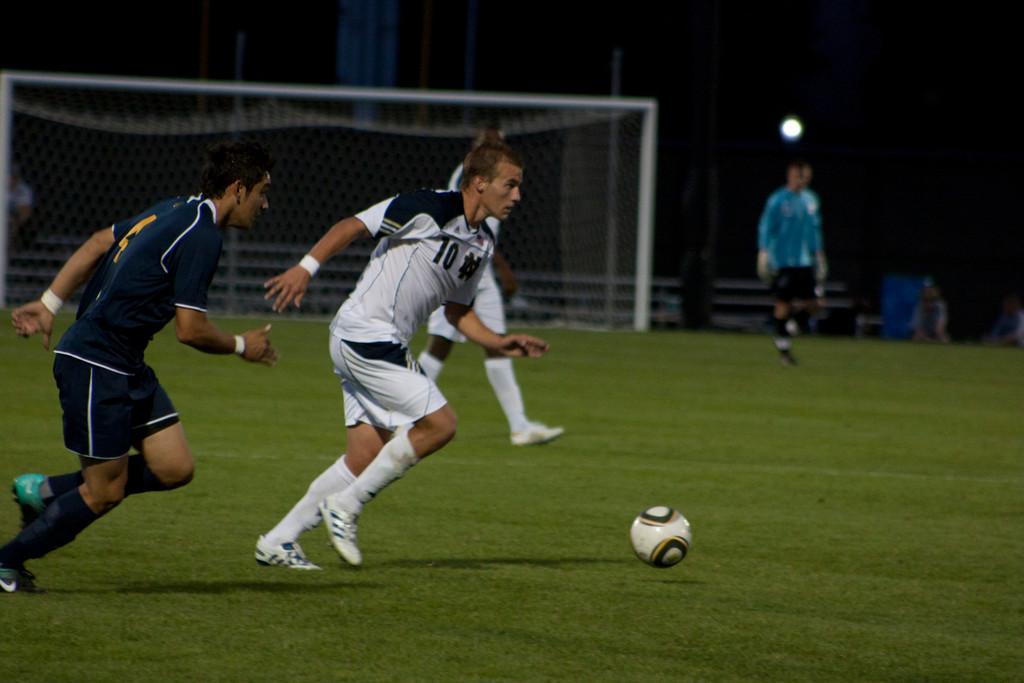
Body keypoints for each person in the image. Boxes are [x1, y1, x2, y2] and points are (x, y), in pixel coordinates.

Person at [256, 139, 551, 570]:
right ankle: (347, 506)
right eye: (510, 185)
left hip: (371, 341)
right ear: (479, 182)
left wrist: (497, 342)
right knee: (441, 424)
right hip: (366, 333)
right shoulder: (428, 207)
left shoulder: (482, 244)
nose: (518, 196)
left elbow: (457, 311)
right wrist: (306, 268)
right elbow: (353, 225)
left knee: (362, 457)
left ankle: (279, 540)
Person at [1, 140, 279, 593]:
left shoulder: (174, 208)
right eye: (263, 192)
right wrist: (240, 345)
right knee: (102, 492)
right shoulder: (203, 236)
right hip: (95, 363)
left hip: (124, 363)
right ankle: (6, 563)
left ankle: (45, 490)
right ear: (238, 188)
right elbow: (190, 330)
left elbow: (97, 242)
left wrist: (51, 302)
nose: (266, 204)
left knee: (174, 467)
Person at [417, 126, 563, 446]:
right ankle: (403, 417)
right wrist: (504, 268)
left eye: (499, 142)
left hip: (480, 273)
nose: (495, 146)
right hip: (455, 270)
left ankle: (519, 427)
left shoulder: (502, 179)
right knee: (440, 344)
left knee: (498, 343)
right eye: (488, 142)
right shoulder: (467, 177)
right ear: (478, 147)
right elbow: (471, 227)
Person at [756, 159, 827, 365]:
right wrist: (763, 253)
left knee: (815, 303)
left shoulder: (811, 199)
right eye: (798, 176)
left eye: (805, 177)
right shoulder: (777, 200)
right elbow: (766, 227)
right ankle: (784, 351)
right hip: (782, 261)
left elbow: (815, 230)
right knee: (783, 303)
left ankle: (792, 326)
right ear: (790, 176)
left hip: (804, 261)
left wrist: (819, 254)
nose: (802, 180)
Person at [7, 163, 35, 250]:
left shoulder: (23, 190)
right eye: (10, 176)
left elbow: (25, 213)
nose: (12, 180)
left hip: (16, 222)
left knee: (11, 223)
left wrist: (12, 221)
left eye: (15, 177)